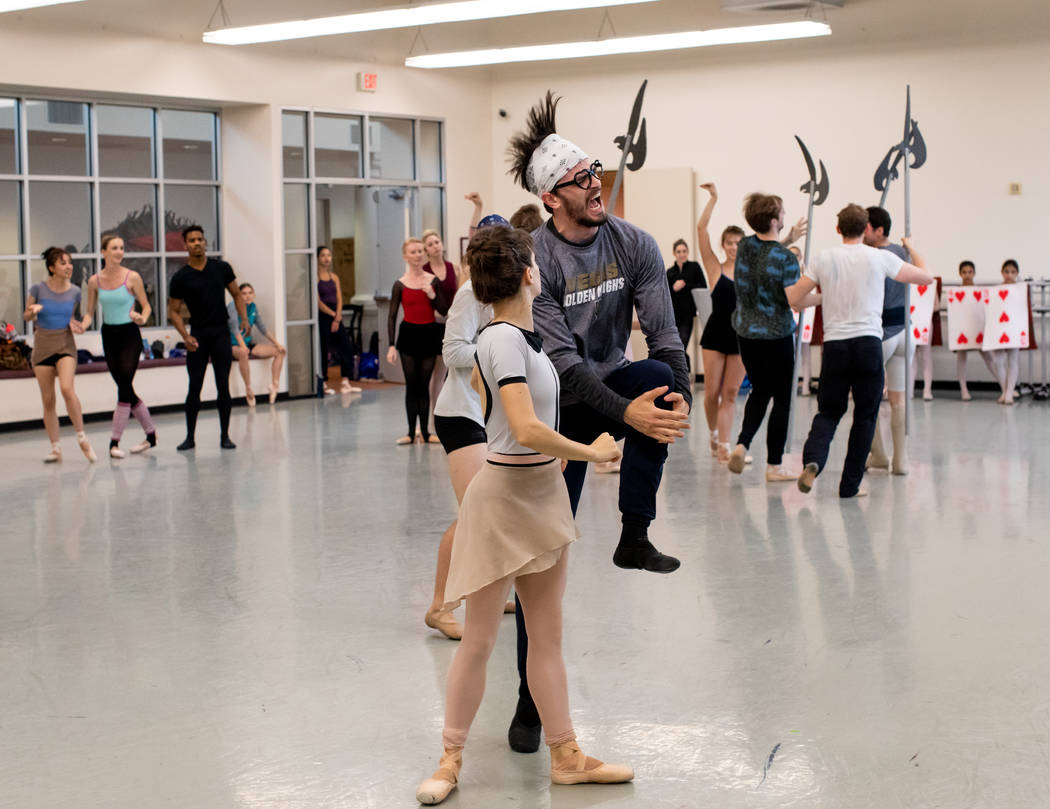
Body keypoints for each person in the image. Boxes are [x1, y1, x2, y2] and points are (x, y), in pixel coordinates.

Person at [415, 225, 631, 806]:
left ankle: (566, 755)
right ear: (529, 274)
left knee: (546, 636)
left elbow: (529, 427)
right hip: (504, 500)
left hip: (538, 494)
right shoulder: (501, 340)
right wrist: (594, 452)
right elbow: (526, 425)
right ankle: (450, 758)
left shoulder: (530, 341)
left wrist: (557, 462)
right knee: (481, 639)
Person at [504, 91, 691, 753]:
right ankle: (528, 702)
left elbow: (666, 338)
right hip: (554, 403)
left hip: (608, 377)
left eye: (597, 173)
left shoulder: (631, 241)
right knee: (544, 556)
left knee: (662, 382)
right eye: (582, 179)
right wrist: (622, 417)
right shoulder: (538, 260)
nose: (597, 184)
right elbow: (560, 365)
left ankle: (634, 532)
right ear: (554, 196)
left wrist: (680, 397)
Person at [790, 204, 933, 497]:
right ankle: (849, 486)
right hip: (869, 344)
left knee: (829, 412)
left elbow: (793, 298)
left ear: (838, 229)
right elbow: (925, 277)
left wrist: (825, 295)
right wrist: (912, 248)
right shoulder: (881, 257)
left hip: (835, 347)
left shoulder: (823, 259)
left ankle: (813, 460)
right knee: (865, 415)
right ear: (866, 228)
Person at [426, 206, 505, 640]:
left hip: (492, 417)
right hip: (461, 415)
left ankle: (486, 593)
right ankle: (440, 606)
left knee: (496, 510)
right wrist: (497, 353)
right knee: (476, 512)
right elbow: (454, 351)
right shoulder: (470, 293)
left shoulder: (506, 292)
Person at [726, 192, 808, 480]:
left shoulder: (746, 246)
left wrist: (789, 239)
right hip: (776, 335)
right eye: (783, 213)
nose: (786, 217)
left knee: (760, 390)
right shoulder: (787, 260)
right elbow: (796, 301)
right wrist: (823, 297)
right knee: (782, 398)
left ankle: (742, 442)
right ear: (774, 220)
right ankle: (774, 465)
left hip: (746, 333)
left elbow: (764, 257)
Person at [168, 225, 247, 450]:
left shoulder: (221, 268)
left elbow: (236, 293)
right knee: (195, 386)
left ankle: (225, 436)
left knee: (223, 385)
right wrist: (185, 336)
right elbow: (173, 311)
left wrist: (243, 319)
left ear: (205, 242)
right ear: (186, 245)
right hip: (198, 336)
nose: (197, 243)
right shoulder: (181, 277)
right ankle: (190, 437)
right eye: (192, 240)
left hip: (221, 333)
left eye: (200, 239)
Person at [863, 206, 926, 474]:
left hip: (881, 333)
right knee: (898, 400)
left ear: (879, 230)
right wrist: (911, 248)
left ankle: (878, 455)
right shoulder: (901, 253)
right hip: (904, 333)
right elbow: (925, 273)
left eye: (865, 226)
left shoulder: (871, 256)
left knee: (868, 398)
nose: (862, 230)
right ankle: (900, 461)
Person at [80, 234, 156, 458]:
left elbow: (147, 306)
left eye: (122, 248)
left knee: (123, 385)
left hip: (129, 334)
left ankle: (114, 443)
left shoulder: (132, 277)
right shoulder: (95, 281)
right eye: (114, 248)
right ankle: (151, 436)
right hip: (109, 335)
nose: (119, 252)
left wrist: (142, 317)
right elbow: (88, 313)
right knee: (126, 387)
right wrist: (82, 326)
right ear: (103, 252)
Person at [24, 247, 96, 463]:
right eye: (63, 263)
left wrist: (78, 325)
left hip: (65, 345)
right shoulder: (37, 288)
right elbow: (26, 316)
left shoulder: (75, 291)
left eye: (69, 262)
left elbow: (75, 317)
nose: (69, 266)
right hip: (43, 348)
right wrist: (33, 311)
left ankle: (82, 437)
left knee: (67, 388)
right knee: (48, 401)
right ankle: (55, 448)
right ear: (52, 267)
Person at [695, 182, 747, 462]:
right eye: (729, 243)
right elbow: (701, 231)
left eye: (739, 243)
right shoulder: (715, 268)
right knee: (712, 392)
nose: (734, 248)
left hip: (741, 337)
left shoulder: (751, 273)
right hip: (715, 335)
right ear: (723, 245)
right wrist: (714, 199)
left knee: (730, 393)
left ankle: (725, 444)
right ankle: (714, 435)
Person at [387, 237, 449, 444]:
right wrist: (391, 345)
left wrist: (432, 294)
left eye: (420, 251)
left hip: (429, 334)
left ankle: (425, 431)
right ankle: (409, 431)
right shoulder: (399, 284)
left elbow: (443, 310)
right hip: (408, 335)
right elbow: (392, 316)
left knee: (424, 385)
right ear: (405, 256)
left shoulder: (432, 281)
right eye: (413, 252)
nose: (418, 255)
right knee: (411, 385)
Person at [423, 228, 459, 438]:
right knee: (434, 377)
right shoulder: (425, 271)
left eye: (437, 242)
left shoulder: (452, 267)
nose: (435, 246)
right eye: (430, 244)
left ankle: (448, 418)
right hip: (433, 324)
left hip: (451, 324)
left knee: (447, 374)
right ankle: (433, 420)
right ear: (426, 250)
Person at [228, 283, 286, 406]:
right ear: (238, 295)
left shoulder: (253, 307)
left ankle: (274, 385)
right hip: (232, 345)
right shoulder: (232, 306)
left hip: (247, 344)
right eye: (244, 293)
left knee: (280, 351)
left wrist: (277, 343)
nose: (247, 296)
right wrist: (242, 346)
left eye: (250, 293)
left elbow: (262, 328)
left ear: (253, 294)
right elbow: (234, 328)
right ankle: (248, 389)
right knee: (243, 352)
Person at [953, 260, 1001, 400]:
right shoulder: (956, 293)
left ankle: (1004, 386)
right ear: (960, 274)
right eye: (964, 272)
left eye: (970, 272)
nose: (967, 275)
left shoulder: (980, 292)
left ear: (974, 273)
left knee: (989, 358)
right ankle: (963, 390)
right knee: (961, 358)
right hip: (962, 330)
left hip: (978, 329)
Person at [316, 246, 360, 395]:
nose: (326, 258)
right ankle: (323, 383)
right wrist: (332, 314)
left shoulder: (334, 277)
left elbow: (339, 297)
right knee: (323, 349)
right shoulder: (315, 277)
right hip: (323, 315)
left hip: (336, 314)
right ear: (317, 258)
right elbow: (317, 302)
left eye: (329, 255)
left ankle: (345, 381)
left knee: (346, 346)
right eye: (323, 255)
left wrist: (338, 316)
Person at [666, 236, 706, 372]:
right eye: (679, 251)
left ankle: (684, 374)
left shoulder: (694, 267)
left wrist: (685, 285)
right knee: (676, 347)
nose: (682, 254)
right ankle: (684, 374)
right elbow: (665, 294)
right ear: (674, 253)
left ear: (687, 252)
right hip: (673, 315)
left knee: (682, 343)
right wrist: (673, 288)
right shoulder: (669, 273)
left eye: (684, 251)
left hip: (688, 314)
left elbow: (703, 286)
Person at [990, 259, 1023, 405]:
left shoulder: (1020, 291)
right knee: (997, 360)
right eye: (1007, 271)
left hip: (1014, 329)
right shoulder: (995, 291)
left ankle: (1009, 393)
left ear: (1017, 274)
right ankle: (1005, 390)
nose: (1009, 275)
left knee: (1013, 360)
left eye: (1013, 272)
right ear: (1002, 272)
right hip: (998, 329)